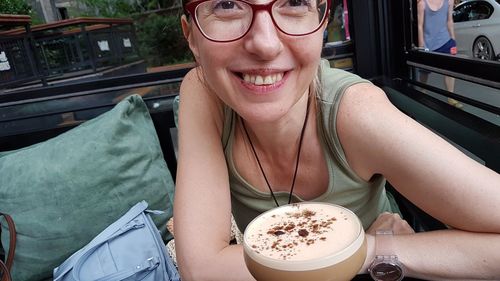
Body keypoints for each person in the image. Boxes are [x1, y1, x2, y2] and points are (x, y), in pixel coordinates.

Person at [174, 0, 500, 280]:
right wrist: (353, 251)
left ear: (321, 23)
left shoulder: (358, 112)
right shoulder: (203, 91)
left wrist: (375, 249)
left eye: (295, 1)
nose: (265, 44)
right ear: (192, 39)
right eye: (227, 4)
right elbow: (201, 269)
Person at [417, 0, 462, 108]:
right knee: (424, 71)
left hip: (446, 41)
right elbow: (420, 26)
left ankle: (451, 97)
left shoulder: (449, 1)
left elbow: (449, 21)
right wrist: (421, 46)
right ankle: (422, 92)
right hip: (428, 44)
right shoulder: (422, 4)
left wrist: (453, 40)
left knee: (450, 70)